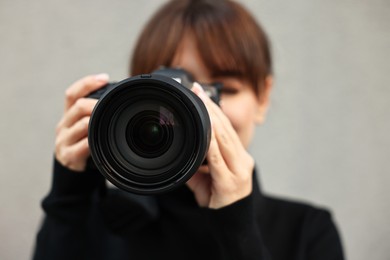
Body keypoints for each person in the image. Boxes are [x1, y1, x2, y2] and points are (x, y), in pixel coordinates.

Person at [33, 0, 344, 259]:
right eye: (172, 92)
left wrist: (237, 228)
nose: (197, 112)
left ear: (262, 98)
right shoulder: (100, 224)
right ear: (129, 101)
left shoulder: (307, 232)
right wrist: (69, 198)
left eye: (222, 91)